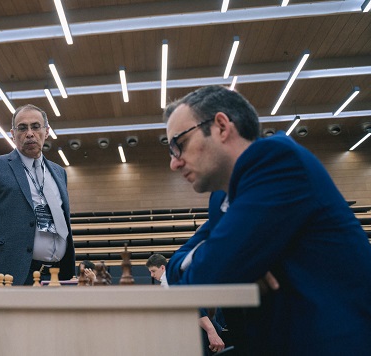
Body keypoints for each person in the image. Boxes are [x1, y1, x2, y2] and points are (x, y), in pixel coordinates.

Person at [163, 85, 371, 355]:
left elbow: (204, 276)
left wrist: (229, 258)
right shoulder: (222, 197)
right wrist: (233, 257)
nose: (174, 163)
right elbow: (178, 271)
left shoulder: (277, 161)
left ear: (222, 127)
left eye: (179, 145)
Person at [0, 104, 75, 285]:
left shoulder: (59, 172)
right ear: (12, 134)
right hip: (8, 273)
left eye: (36, 127)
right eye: (22, 128)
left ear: (46, 132)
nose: (30, 133)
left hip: (55, 274)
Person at [146, 254, 225, 355]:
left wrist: (211, 331)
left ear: (162, 267)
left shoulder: (169, 282)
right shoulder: (177, 277)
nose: (152, 275)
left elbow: (192, 307)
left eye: (153, 271)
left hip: (200, 329)